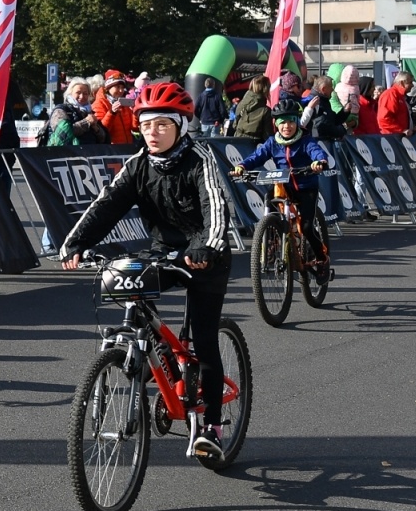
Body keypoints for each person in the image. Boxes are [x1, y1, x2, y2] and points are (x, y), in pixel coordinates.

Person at [57, 82, 234, 462]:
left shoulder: (199, 160)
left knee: (203, 343)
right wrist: (75, 242)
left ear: (180, 126)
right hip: (163, 251)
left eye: (162, 125)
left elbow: (216, 210)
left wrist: (207, 247)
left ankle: (213, 427)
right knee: (129, 289)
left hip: (206, 254)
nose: (152, 133)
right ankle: (158, 362)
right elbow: (105, 206)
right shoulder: (137, 165)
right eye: (146, 125)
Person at [233, 98, 332, 280]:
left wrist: (319, 161)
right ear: (276, 124)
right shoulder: (272, 142)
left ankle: (321, 259)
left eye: (291, 121)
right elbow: (257, 156)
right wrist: (242, 166)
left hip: (306, 187)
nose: (287, 126)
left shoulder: (305, 140)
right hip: (284, 186)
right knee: (269, 201)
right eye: (282, 122)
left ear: (296, 122)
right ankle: (272, 240)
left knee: (308, 227)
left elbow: (317, 152)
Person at [92, 70, 138, 144]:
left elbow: (134, 128)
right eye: (117, 87)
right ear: (108, 88)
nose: (121, 90)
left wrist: (136, 113)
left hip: (128, 147)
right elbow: (101, 131)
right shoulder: (99, 104)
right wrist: (112, 113)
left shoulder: (123, 103)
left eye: (123, 87)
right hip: (112, 150)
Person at [300, 75, 349, 140]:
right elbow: (324, 126)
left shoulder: (324, 101)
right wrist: (342, 130)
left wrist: (345, 111)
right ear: (323, 89)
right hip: (318, 142)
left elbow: (333, 120)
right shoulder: (315, 102)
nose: (332, 89)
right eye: (331, 86)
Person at [230, 76, 273, 140]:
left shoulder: (242, 103)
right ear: (266, 89)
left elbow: (235, 124)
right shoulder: (265, 110)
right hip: (254, 143)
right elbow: (267, 135)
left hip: (237, 139)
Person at [376, 68, 414, 135]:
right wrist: (401, 130)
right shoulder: (391, 94)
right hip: (391, 137)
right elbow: (384, 119)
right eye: (410, 82)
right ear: (402, 83)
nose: (412, 85)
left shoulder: (400, 95)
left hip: (397, 136)